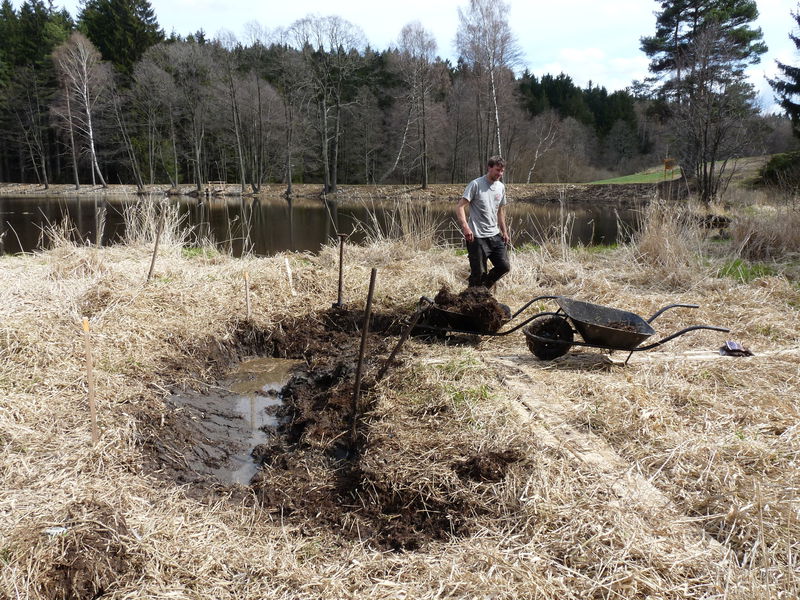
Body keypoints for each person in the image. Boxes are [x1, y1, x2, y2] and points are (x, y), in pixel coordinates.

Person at [455, 156, 510, 288]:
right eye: (497, 170)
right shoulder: (476, 184)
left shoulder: (501, 187)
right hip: (477, 237)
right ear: (489, 168)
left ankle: (482, 289)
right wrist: (466, 228)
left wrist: (504, 231)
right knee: (478, 273)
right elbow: (460, 207)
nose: (500, 174)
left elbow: (500, 211)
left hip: (494, 235)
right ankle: (474, 295)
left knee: (504, 266)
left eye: (502, 171)